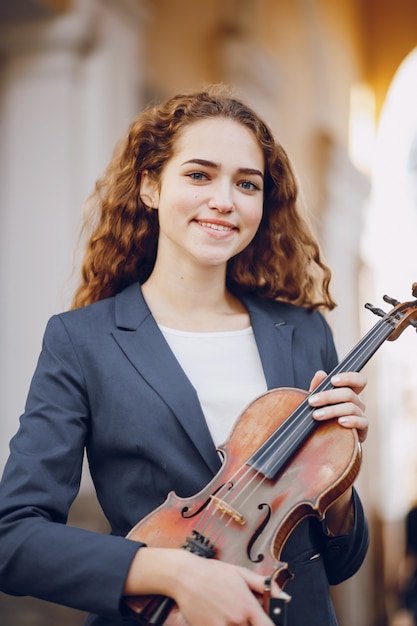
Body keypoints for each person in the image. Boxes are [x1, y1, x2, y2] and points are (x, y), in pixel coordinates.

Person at [0, 85, 369, 626]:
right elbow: (14, 537)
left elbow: (338, 563)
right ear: (149, 185)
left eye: (247, 183)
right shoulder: (81, 341)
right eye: (199, 175)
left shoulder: (306, 332)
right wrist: (173, 573)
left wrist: (339, 477)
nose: (225, 200)